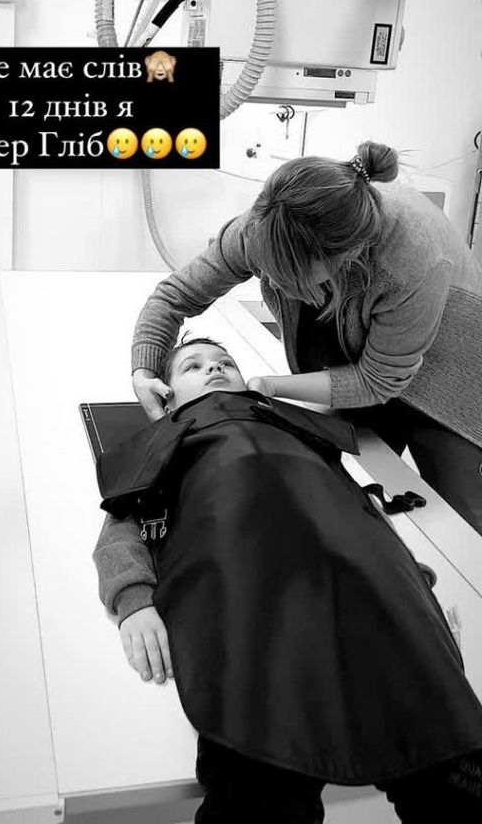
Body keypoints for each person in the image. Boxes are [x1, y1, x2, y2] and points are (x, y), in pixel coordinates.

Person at [93, 336, 482, 823]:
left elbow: (356, 509)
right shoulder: (161, 447)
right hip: (250, 617)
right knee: (260, 788)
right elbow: (119, 532)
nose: (214, 369)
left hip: (370, 602)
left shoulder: (301, 430)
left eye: (224, 362)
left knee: (453, 768)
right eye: (193, 366)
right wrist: (134, 601)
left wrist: (412, 585)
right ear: (166, 399)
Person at [131, 142, 482, 534]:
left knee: (463, 527)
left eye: (286, 278)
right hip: (367, 365)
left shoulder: (410, 259)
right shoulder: (261, 230)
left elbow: (379, 380)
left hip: (451, 371)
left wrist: (270, 386)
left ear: (346, 257)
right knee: (339, 495)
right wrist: (144, 370)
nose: (272, 283)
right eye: (266, 270)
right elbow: (172, 298)